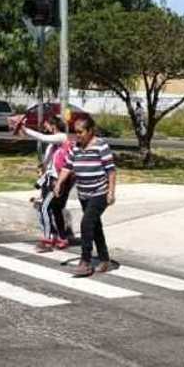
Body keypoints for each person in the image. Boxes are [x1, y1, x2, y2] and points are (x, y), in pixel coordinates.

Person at [54, 115, 117, 277]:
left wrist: (111, 192)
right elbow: (67, 167)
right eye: (76, 132)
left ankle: (86, 261)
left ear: (90, 131)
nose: (78, 135)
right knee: (95, 226)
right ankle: (105, 260)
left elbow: (111, 170)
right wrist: (59, 183)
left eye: (81, 132)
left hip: (99, 192)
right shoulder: (75, 147)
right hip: (84, 193)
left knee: (86, 223)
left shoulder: (101, 146)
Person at [18, 114, 75, 251]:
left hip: (57, 182)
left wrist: (25, 128)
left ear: (53, 125)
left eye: (47, 125)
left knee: (44, 208)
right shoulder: (52, 144)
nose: (46, 128)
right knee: (55, 210)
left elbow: (42, 138)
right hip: (49, 180)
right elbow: (46, 164)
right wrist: (32, 169)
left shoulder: (61, 137)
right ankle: (61, 238)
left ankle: (47, 239)